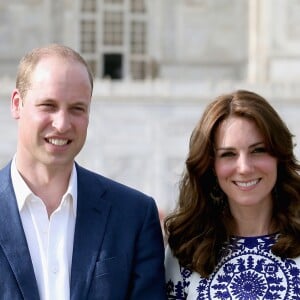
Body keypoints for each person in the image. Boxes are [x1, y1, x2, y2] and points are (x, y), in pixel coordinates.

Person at [0, 44, 166, 300]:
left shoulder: (133, 216)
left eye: (77, 108)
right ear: (17, 104)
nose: (62, 124)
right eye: (48, 105)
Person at [164, 90, 300, 299]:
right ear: (210, 166)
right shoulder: (185, 250)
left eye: (258, 150)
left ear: (279, 155)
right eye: (228, 154)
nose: (244, 167)